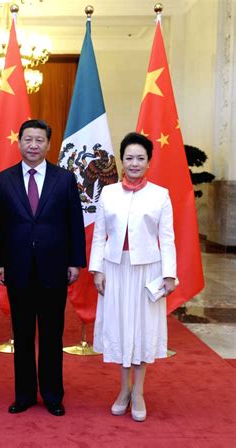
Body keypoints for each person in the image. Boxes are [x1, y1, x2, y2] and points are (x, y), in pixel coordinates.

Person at [0, 119, 86, 416]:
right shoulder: (4, 179)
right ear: (19, 142)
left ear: (48, 144)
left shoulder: (64, 179)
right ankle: (25, 394)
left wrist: (75, 261)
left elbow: (74, 223)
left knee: (51, 334)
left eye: (39, 140)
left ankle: (53, 394)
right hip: (17, 268)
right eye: (28, 139)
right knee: (22, 333)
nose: (33, 145)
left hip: (54, 268)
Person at [89, 132, 177, 422]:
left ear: (149, 161)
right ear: (121, 161)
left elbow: (167, 238)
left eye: (141, 158)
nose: (135, 163)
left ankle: (138, 392)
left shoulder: (160, 195)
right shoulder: (109, 193)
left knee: (140, 330)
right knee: (121, 328)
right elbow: (100, 234)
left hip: (147, 271)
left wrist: (169, 275)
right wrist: (97, 269)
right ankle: (123, 390)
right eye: (129, 158)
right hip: (115, 268)